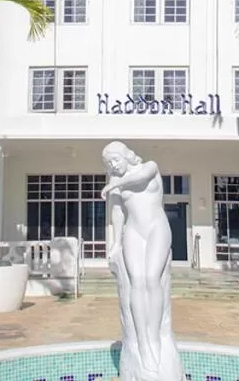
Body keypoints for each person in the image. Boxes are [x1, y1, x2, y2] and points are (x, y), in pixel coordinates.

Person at [102, 141, 184, 381]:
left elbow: (140, 177)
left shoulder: (150, 167)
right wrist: (116, 242)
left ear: (126, 156)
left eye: (115, 160)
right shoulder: (115, 184)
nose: (113, 166)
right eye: (108, 164)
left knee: (151, 280)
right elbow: (117, 213)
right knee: (136, 282)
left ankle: (156, 338)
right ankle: (143, 341)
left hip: (156, 228)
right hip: (133, 232)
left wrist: (115, 183)